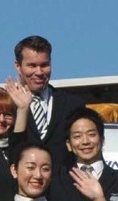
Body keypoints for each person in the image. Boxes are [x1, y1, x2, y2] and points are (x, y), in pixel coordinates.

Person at [14, 35, 85, 167]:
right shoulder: (5, 105)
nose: (39, 72)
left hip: (65, 184)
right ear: (18, 66)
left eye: (44, 65)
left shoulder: (72, 104)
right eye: (32, 65)